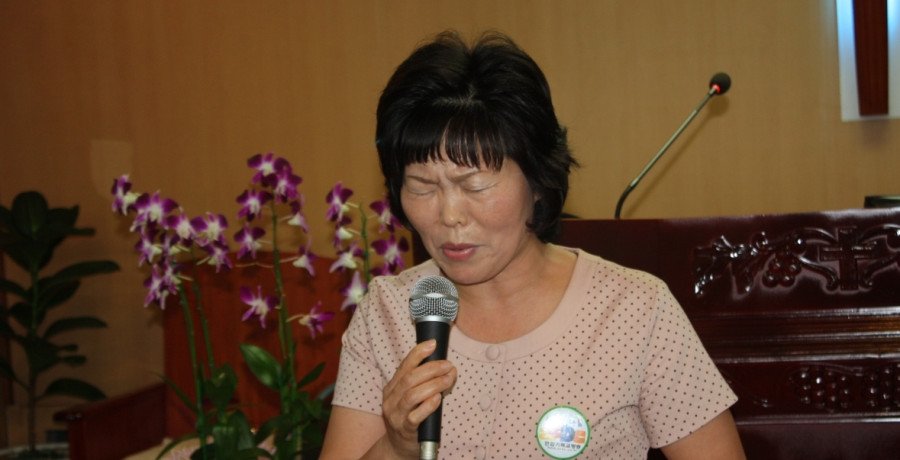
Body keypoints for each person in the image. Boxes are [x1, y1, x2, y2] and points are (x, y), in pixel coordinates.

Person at [320, 30, 745, 459]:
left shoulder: (634, 310)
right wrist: (395, 447)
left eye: (475, 185)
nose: (449, 215)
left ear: (538, 180)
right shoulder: (386, 313)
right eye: (422, 186)